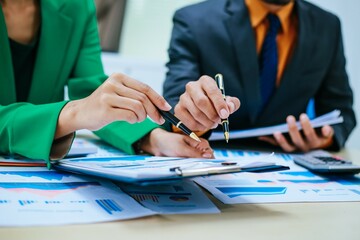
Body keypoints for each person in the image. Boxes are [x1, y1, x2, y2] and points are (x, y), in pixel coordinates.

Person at [0, 0, 214, 163]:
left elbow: (91, 94)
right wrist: (72, 114)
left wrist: (153, 139)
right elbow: (84, 107)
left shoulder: (77, 6)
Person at [163, 0, 356, 152]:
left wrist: (323, 139)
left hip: (290, 166)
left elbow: (342, 112)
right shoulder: (193, 20)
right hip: (210, 156)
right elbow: (174, 103)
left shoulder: (327, 26)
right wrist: (193, 116)